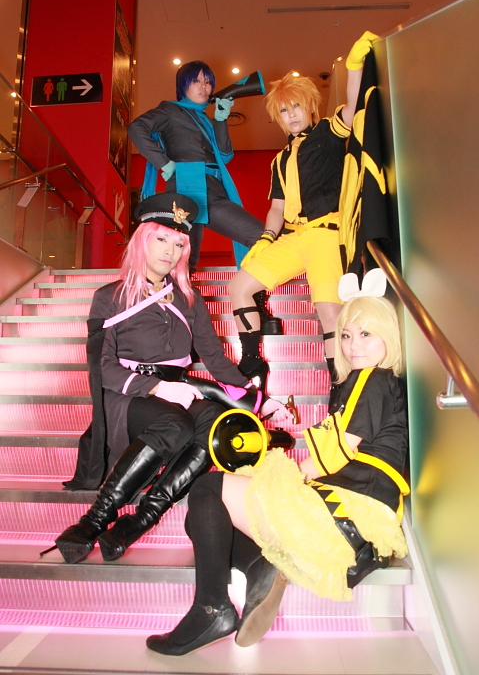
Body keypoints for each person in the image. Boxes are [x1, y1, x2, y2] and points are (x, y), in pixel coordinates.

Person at [145, 268, 409, 656]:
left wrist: (290, 476)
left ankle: (212, 608)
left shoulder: (372, 379)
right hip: (357, 521)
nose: (354, 346)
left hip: (346, 515)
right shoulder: (377, 382)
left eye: (366, 334)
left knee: (207, 488)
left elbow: (338, 452)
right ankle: (257, 570)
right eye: (346, 335)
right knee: (206, 516)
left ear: (388, 336)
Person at [52, 193, 289, 566]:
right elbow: (103, 368)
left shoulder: (189, 300)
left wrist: (260, 400)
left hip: (175, 394)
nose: (170, 250)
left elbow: (215, 359)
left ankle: (140, 520)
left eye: (179, 243)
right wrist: (158, 387)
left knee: (215, 423)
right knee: (176, 423)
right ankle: (94, 519)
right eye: (161, 239)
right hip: (128, 396)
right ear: (142, 240)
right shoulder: (109, 297)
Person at [228, 32, 378, 387]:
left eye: (296, 106)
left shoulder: (327, 134)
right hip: (294, 237)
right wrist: (266, 238)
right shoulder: (279, 160)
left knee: (329, 312)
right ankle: (252, 361)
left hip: (326, 235)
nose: (291, 114)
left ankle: (340, 385)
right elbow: (277, 208)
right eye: (283, 110)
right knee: (239, 286)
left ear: (309, 106)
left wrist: (354, 67)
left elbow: (352, 107)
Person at [128, 59, 282, 334]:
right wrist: (165, 163)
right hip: (184, 188)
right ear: (183, 86)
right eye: (197, 81)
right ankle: (178, 322)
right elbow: (136, 128)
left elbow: (225, 155)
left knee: (261, 237)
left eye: (208, 81)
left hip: (212, 190)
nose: (204, 86)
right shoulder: (170, 110)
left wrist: (221, 121)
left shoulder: (206, 119)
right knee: (184, 258)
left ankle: (256, 304)